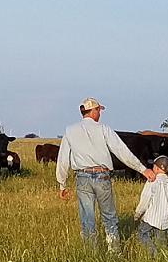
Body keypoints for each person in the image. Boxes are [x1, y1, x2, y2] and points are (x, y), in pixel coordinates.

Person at [56, 98, 155, 252]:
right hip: (102, 176)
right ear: (93, 111)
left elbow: (63, 159)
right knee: (109, 217)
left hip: (82, 177)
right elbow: (122, 151)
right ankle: (114, 251)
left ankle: (91, 252)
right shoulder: (103, 129)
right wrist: (143, 169)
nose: (99, 113)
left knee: (87, 218)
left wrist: (63, 184)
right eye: (98, 110)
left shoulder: (70, 130)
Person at [134, 155, 168, 257]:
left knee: (141, 235)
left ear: (157, 168)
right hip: (164, 220)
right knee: (161, 242)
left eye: (153, 166)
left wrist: (138, 214)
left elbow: (145, 200)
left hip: (150, 217)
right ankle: (161, 259)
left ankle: (152, 252)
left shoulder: (152, 182)